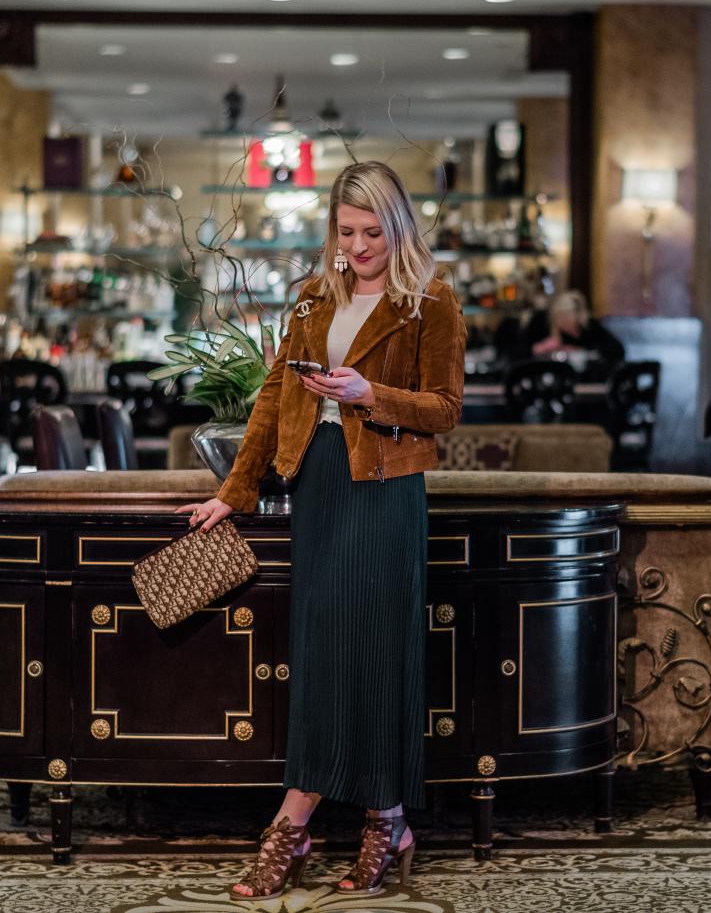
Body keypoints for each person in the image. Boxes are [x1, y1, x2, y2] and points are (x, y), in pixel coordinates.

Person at [179, 161, 465, 899]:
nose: (359, 245)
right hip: (320, 485)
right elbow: (274, 396)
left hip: (384, 490)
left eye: (373, 231)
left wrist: (373, 395)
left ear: (397, 228)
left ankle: (316, 822)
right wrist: (234, 491)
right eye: (347, 231)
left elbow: (445, 409)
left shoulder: (430, 302)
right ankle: (378, 817)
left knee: (377, 647)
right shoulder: (313, 298)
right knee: (321, 653)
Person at [529, 289, 625, 366]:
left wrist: (582, 352)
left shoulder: (590, 329)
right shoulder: (541, 325)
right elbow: (520, 354)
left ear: (578, 318)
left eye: (567, 318)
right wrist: (539, 348)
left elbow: (618, 350)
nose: (564, 321)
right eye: (560, 317)